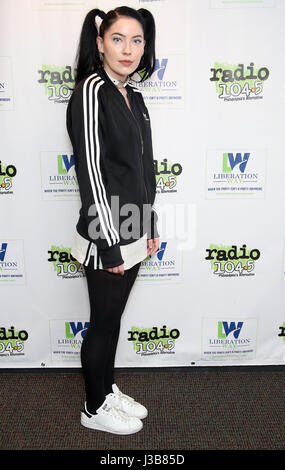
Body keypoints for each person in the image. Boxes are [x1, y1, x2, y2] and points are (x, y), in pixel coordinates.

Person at [66, 6, 159, 435]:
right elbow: (91, 173)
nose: (128, 49)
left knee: (115, 319)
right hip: (108, 235)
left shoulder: (133, 96)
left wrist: (149, 225)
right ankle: (93, 407)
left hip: (135, 229)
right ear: (100, 42)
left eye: (136, 40)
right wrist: (109, 244)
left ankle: (106, 390)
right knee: (102, 323)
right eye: (118, 38)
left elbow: (143, 169)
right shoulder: (91, 89)